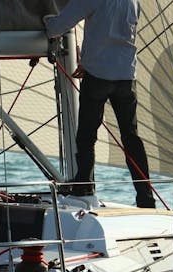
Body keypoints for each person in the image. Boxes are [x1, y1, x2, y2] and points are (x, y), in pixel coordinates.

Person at [44, 0, 156, 208]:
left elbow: (56, 28)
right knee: (131, 138)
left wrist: (47, 21)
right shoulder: (133, 2)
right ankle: (146, 197)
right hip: (126, 77)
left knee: (86, 136)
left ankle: (84, 187)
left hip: (98, 77)